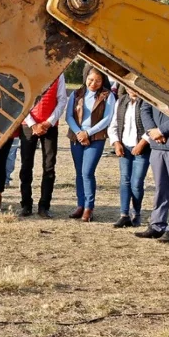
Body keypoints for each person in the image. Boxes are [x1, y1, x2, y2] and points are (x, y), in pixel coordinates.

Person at [64, 67, 114, 222]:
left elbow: (107, 118)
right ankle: (80, 204)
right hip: (77, 136)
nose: (93, 83)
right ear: (85, 77)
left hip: (96, 137)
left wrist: (88, 133)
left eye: (98, 80)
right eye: (91, 79)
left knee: (87, 172)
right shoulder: (76, 93)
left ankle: (88, 207)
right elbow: (69, 116)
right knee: (79, 172)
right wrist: (79, 133)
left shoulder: (108, 95)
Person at [18, 74, 66, 218]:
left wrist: (48, 122)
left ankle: (44, 205)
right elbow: (21, 99)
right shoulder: (28, 70)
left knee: (49, 166)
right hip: (28, 124)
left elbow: (62, 100)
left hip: (50, 125)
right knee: (26, 165)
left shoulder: (59, 74)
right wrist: (33, 124)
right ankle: (26, 204)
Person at [137, 100, 169, 243]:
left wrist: (161, 131)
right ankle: (157, 225)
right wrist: (152, 131)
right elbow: (145, 108)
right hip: (157, 146)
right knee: (160, 189)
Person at [109, 87, 151, 228]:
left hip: (142, 147)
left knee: (137, 183)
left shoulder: (147, 102)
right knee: (124, 180)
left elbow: (151, 126)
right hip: (124, 146)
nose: (132, 89)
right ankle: (124, 215)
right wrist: (116, 143)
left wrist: (142, 143)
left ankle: (137, 213)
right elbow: (114, 124)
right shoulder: (121, 101)